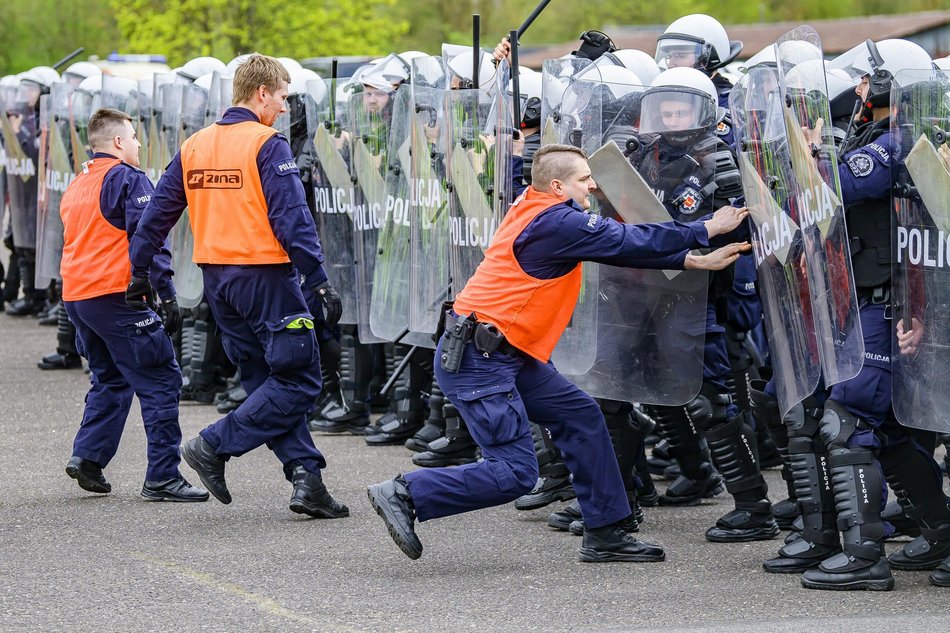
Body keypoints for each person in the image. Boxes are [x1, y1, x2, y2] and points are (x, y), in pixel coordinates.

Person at [367, 143, 751, 560]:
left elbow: (609, 247)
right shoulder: (556, 222)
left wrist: (690, 261)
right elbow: (624, 237)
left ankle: (606, 532)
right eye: (584, 180)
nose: (592, 186)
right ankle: (406, 492)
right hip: (481, 361)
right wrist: (706, 228)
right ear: (557, 186)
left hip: (502, 354)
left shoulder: (535, 206)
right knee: (515, 473)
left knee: (582, 416)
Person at [128, 54, 348, 519]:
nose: (286, 108)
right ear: (261, 93)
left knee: (268, 382)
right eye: (283, 97)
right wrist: (319, 279)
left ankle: (307, 478)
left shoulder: (196, 145)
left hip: (219, 284)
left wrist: (139, 274)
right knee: (302, 379)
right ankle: (213, 445)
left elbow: (154, 220)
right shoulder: (267, 142)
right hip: (266, 279)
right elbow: (292, 217)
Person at [59, 107, 207, 502]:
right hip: (115, 295)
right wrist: (167, 292)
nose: (140, 144)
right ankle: (163, 476)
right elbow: (149, 235)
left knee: (110, 377)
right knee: (161, 379)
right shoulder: (126, 178)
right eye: (135, 137)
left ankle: (88, 457)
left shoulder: (81, 181)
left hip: (78, 296)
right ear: (119, 142)